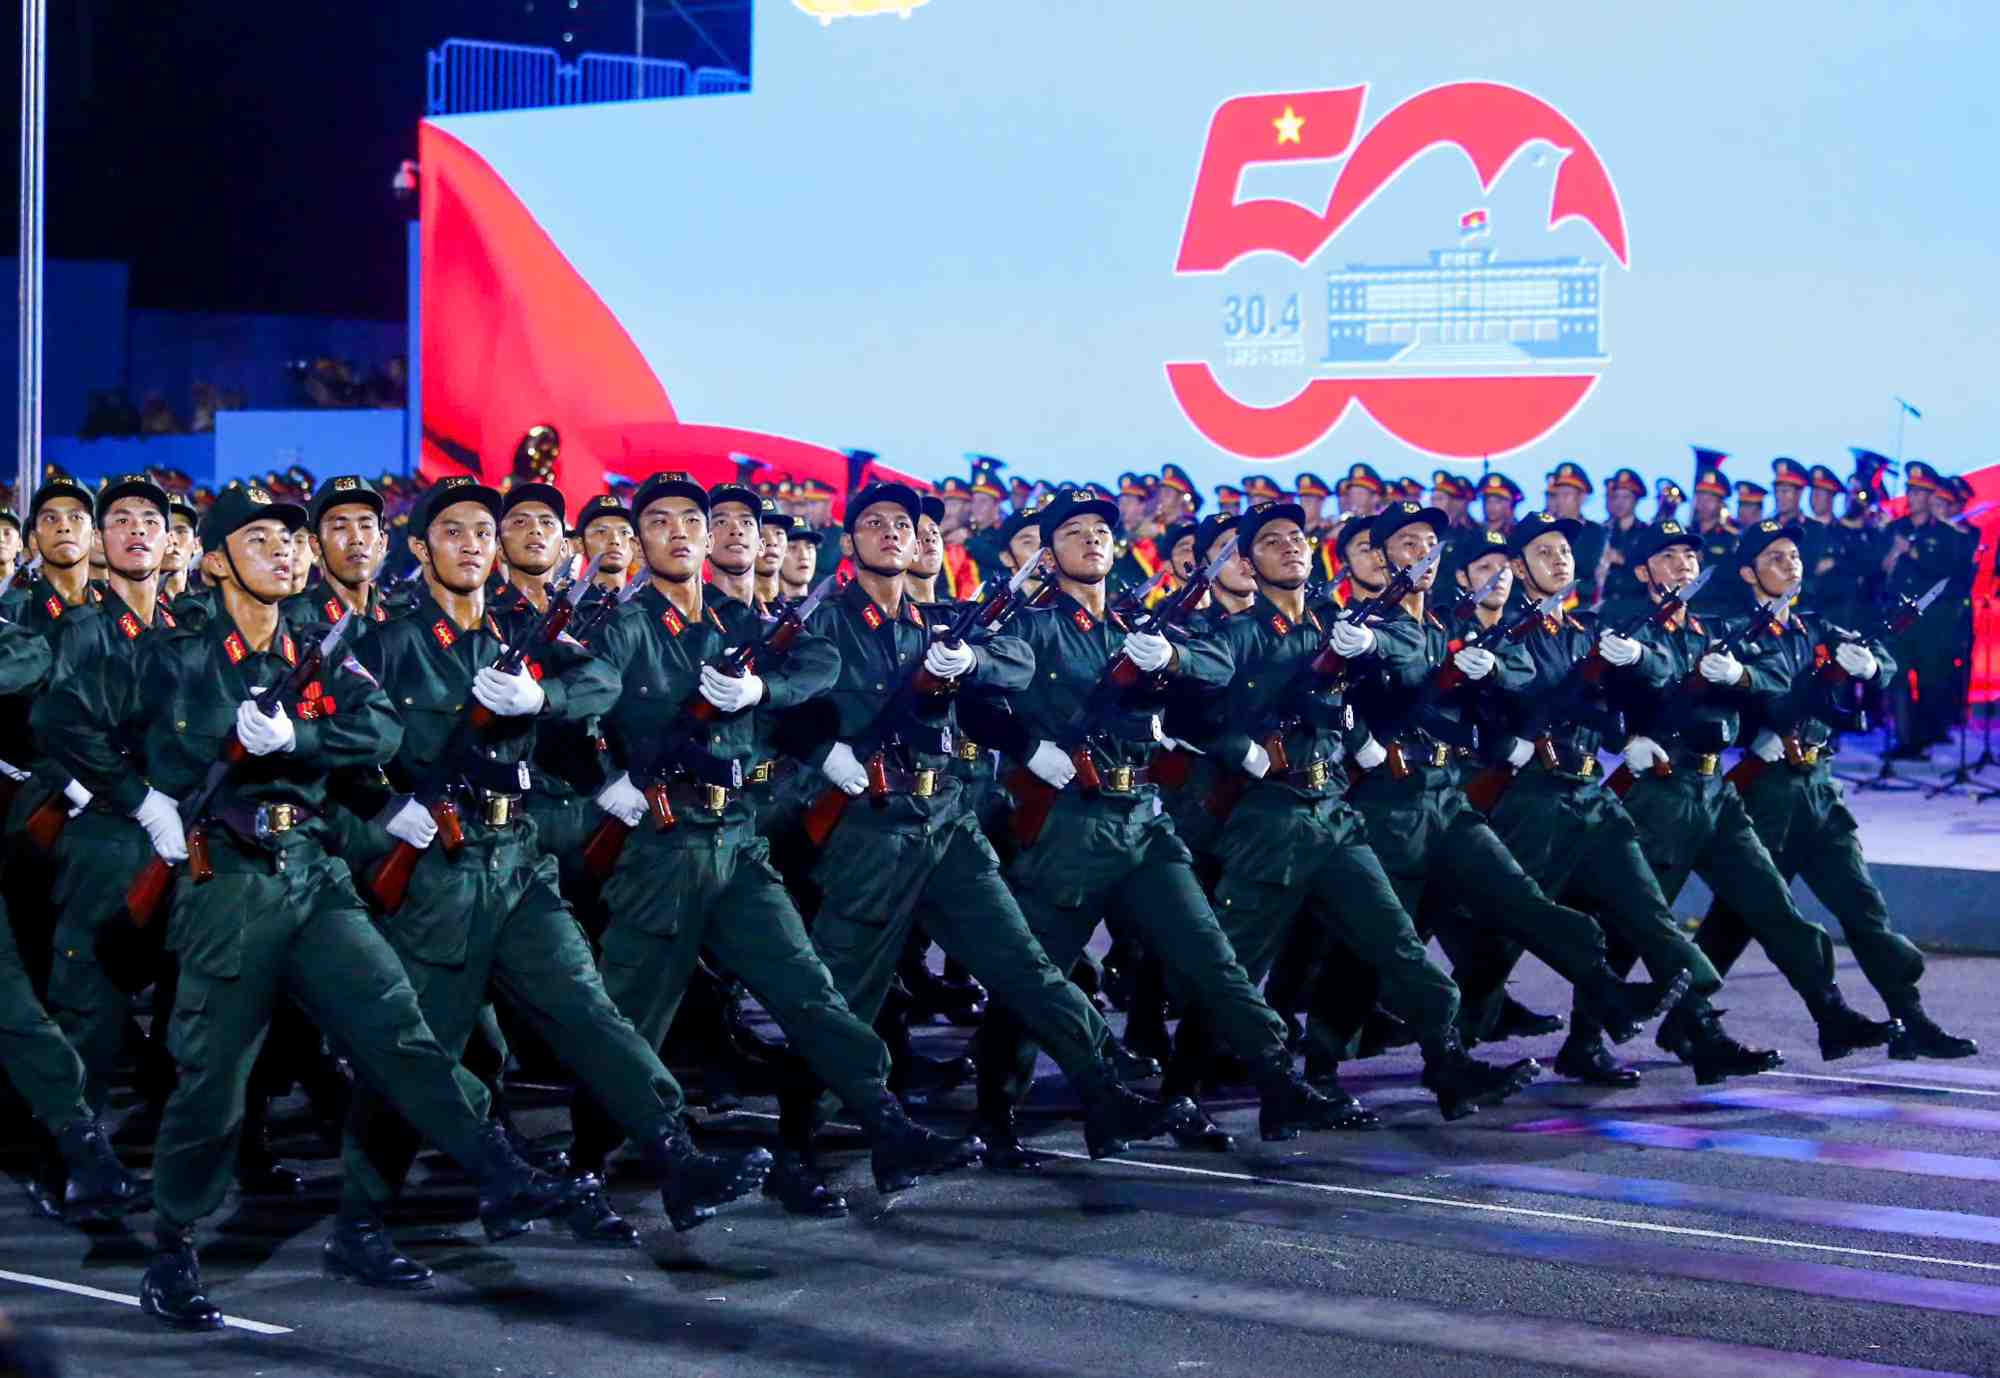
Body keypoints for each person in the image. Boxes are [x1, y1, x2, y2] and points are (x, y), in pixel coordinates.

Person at [49, 484, 568, 1329]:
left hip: (312, 870)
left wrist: (301, 740)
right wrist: (142, 801)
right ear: (215, 561)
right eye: (261, 541)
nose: (286, 552)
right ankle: (174, 1247)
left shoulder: (320, 653)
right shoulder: (172, 652)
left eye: (293, 541)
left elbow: (381, 734)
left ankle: (497, 1163)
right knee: (214, 1081)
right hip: (225, 880)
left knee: (395, 1026)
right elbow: (64, 715)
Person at [578, 472, 981, 1220]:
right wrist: (606, 780)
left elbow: (818, 663)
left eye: (689, 520)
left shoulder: (738, 621)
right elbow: (583, 696)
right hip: (660, 845)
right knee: (632, 1013)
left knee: (807, 988)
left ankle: (884, 1120)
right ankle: (595, 1162)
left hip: (736, 841)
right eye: (658, 521)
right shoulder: (622, 625)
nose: (677, 532)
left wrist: (763, 691)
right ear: (636, 540)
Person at [776, 481, 1185, 1180]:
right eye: (873, 524)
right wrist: (825, 751)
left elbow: (1015, 662)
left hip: (946, 825)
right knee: (841, 994)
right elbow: (783, 694)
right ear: (851, 545)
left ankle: (1104, 1090)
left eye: (902, 525)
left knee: (1023, 966)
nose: (891, 534)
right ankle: (800, 1145)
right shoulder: (828, 623)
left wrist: (970, 664)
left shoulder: (931, 622)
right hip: (871, 830)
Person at [968, 492, 1369, 1156]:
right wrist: (1025, 746)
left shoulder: (1138, 623)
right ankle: (995, 1110)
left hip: (1144, 818)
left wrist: (1170, 667)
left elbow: (1207, 682)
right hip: (1070, 822)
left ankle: (1278, 1081)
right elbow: (987, 682)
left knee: (1214, 960)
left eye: (1101, 530)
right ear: (1050, 554)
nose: (1092, 540)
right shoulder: (1034, 625)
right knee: (1038, 975)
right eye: (1073, 532)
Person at [1160, 500, 1544, 1121]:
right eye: (1271, 542)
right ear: (1250, 567)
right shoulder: (1236, 634)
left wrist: (1367, 698)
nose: (1290, 546)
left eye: (1297, 537)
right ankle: (1182, 1092)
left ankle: (1449, 1069)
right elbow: (1185, 713)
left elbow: (1384, 689)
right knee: (1231, 969)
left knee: (1399, 948)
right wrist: (1243, 751)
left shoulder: (1340, 624)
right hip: (1270, 819)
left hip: (1335, 810)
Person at [1327, 501, 1689, 1066]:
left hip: (1447, 798)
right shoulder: (1367, 627)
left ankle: (1602, 998)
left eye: (1429, 544)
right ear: (1381, 558)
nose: (1422, 554)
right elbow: (1334, 691)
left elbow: (1511, 676)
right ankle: (1314, 1063)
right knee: (1382, 944)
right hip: (1390, 803)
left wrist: (1495, 674)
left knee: (1522, 903)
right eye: (1407, 545)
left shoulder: (1447, 626)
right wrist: (1359, 737)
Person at [1459, 510, 1775, 1085]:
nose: (1560, 560)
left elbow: (1607, 707)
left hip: (1591, 798)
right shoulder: (1510, 637)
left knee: (1645, 910)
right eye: (1546, 552)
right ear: (1519, 569)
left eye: (1565, 552)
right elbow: (1525, 692)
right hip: (1532, 800)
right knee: (1508, 936)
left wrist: (1626, 736)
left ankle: (1697, 1024)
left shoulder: (1584, 635)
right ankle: (1448, 1046)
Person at [1608, 518, 1902, 1063]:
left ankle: (1828, 1011)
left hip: (1715, 787)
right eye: (1668, 557)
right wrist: (1623, 735)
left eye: (1689, 557)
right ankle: (1591, 1039)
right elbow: (1592, 690)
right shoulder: (1623, 627)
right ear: (1644, 568)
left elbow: (1761, 684)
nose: (1683, 565)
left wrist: (1750, 694)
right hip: (1658, 792)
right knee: (1643, 922)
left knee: (1771, 903)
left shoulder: (1710, 631)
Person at [1692, 518, 1975, 1061]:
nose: (1790, 564)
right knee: (1740, 918)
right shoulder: (1732, 636)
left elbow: (1880, 667)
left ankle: (1909, 1017)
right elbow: (1757, 695)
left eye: (1794, 556)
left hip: (1819, 790)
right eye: (1775, 557)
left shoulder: (1814, 628)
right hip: (1766, 793)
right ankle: (1690, 1020)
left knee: (1863, 907)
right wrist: (1753, 686)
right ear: (1749, 572)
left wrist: (1870, 667)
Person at [1880, 461, 1963, 754]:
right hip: (1899, 615)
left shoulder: (1946, 534)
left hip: (1930, 618)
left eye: (1919, 492)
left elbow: (1946, 572)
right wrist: (1890, 556)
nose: (1913, 497)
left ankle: (1925, 737)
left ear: (1930, 496)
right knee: (1898, 676)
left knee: (1929, 679)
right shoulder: (1894, 529)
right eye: (1910, 491)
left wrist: (1913, 553)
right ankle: (1904, 739)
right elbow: (1878, 570)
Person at [280, 476, 391, 635]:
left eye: (366, 525)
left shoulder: (402, 619)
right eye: (340, 527)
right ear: (316, 545)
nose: (356, 539)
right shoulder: (291, 621)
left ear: (383, 542)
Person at [574, 495, 637, 592]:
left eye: (624, 532)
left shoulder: (650, 605)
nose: (615, 540)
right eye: (601, 532)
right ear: (580, 544)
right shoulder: (566, 603)